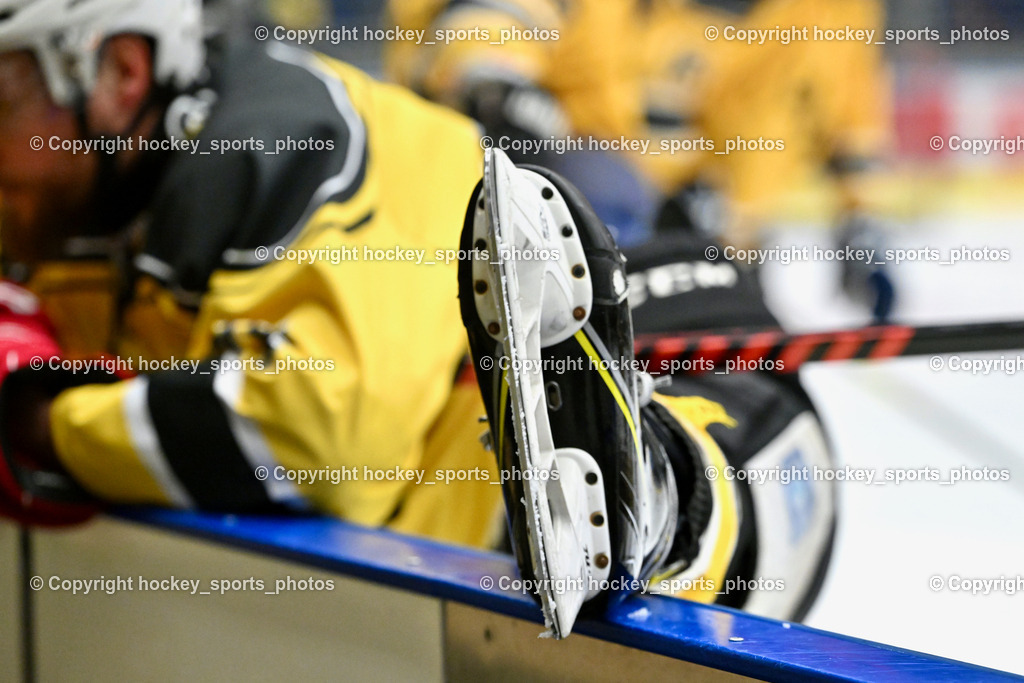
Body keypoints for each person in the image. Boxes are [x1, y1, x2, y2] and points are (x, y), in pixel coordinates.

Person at [0, 0, 834, 637]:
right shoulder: (56, 199)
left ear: (119, 71)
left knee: (771, 464)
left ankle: (648, 494)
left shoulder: (274, 141)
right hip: (453, 504)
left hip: (628, 266)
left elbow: (307, 442)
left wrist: (39, 416)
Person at [385, 0, 897, 320]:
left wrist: (861, 223)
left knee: (735, 417)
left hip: (728, 249)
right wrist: (491, 73)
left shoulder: (834, 12)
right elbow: (503, 13)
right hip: (601, 217)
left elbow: (850, 116)